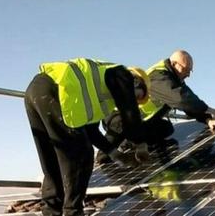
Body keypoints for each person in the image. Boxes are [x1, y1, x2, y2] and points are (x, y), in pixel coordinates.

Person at [24, 58, 151, 216]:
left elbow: (91, 132)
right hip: (56, 91)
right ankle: (73, 212)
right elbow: (129, 111)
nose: (136, 101)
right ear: (137, 82)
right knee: (81, 155)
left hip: (36, 90)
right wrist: (140, 145)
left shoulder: (97, 96)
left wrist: (116, 155)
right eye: (139, 96)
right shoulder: (122, 74)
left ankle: (52, 211)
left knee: (52, 158)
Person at [95, 50, 215, 164]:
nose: (188, 74)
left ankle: (135, 144)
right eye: (185, 69)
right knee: (114, 138)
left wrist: (207, 119)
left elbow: (189, 100)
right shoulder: (158, 76)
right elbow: (181, 99)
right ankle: (102, 161)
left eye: (190, 71)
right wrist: (211, 110)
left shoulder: (175, 80)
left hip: (142, 121)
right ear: (174, 64)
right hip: (119, 117)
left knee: (165, 128)